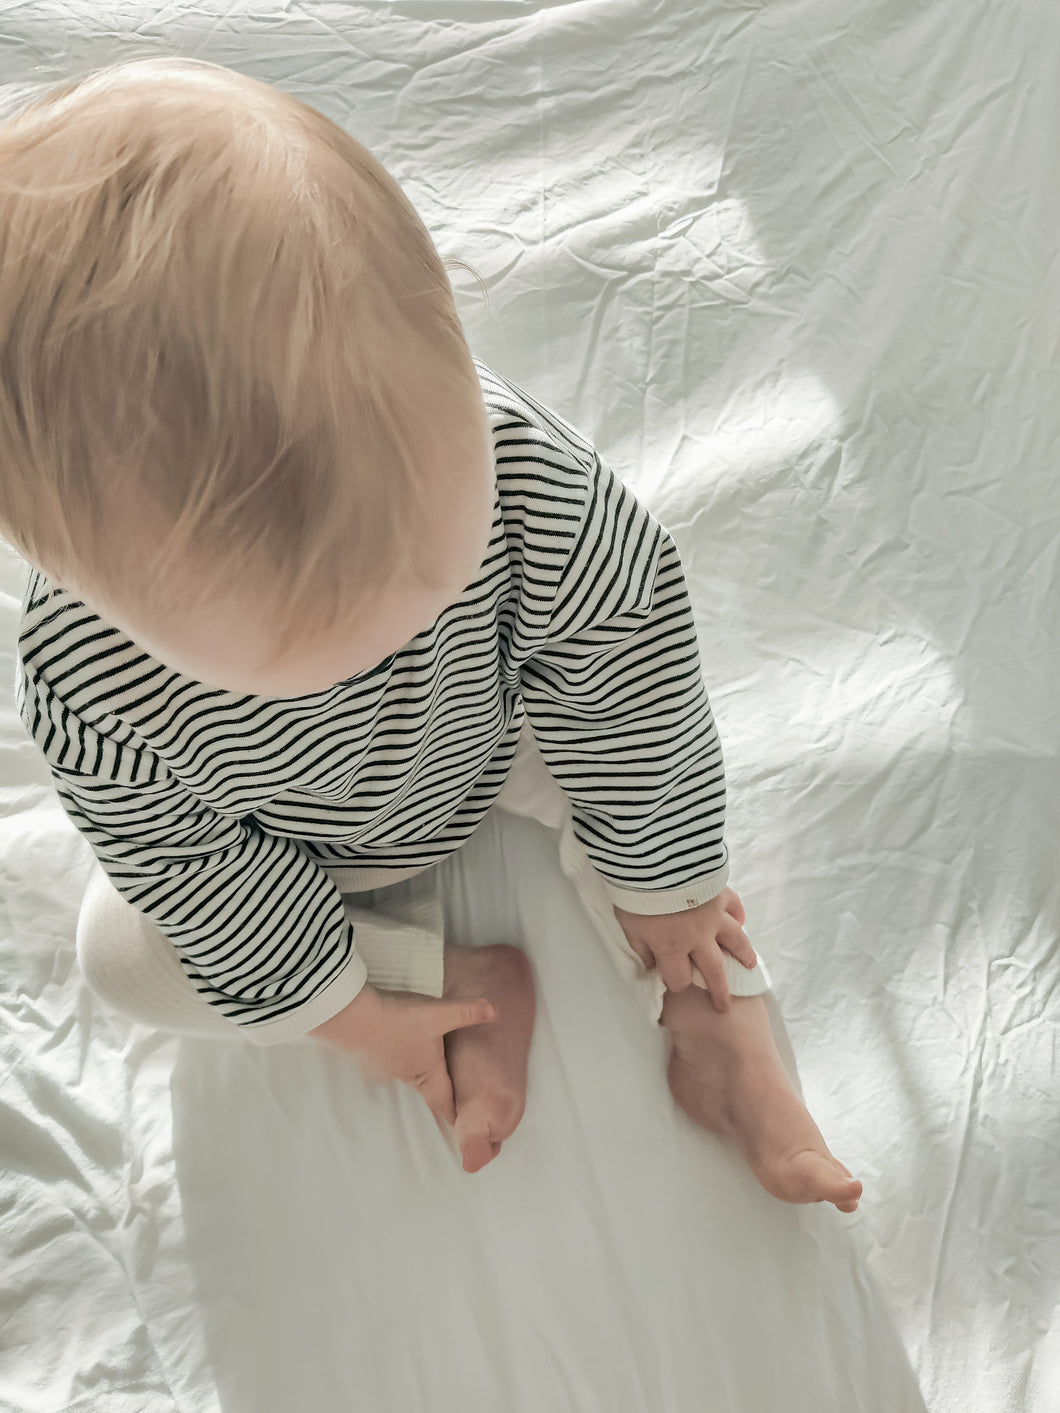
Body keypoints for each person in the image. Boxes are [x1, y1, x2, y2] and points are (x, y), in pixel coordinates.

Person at [0, 55, 861, 1209]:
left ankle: (714, 1018)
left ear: (452, 342)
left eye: (425, 588)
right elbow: (185, 864)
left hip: (500, 727)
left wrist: (667, 887)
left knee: (652, 823)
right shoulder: (86, 676)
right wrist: (354, 1016)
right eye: (304, 658)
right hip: (287, 848)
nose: (377, 662)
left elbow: (627, 682)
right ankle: (449, 984)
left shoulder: (527, 482)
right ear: (82, 578)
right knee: (123, 959)